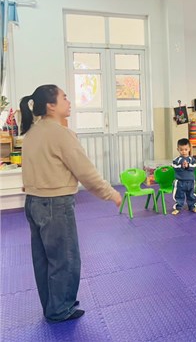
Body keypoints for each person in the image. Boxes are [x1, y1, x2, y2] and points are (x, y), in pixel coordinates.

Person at [20, 85, 122, 322]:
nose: (69, 102)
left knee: (44, 259)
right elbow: (85, 172)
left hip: (33, 203)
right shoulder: (61, 134)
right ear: (51, 106)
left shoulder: (32, 132)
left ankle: (53, 304)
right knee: (65, 259)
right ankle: (60, 309)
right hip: (55, 204)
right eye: (64, 98)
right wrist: (110, 193)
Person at [171, 138, 196, 215]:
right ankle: (178, 208)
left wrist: (188, 166)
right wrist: (182, 166)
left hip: (190, 181)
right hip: (180, 181)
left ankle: (192, 206)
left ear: (189, 149)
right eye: (181, 150)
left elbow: (195, 166)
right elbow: (174, 167)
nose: (184, 151)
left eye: (186, 149)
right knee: (179, 195)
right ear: (178, 149)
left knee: (192, 195)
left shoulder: (192, 159)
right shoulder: (176, 160)